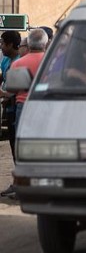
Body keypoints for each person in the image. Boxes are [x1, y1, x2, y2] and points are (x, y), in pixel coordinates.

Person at [1, 29, 48, 199]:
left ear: (28, 44)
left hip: (23, 106)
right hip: (46, 107)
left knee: (23, 148)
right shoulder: (52, 61)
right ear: (45, 43)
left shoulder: (18, 63)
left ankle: (23, 187)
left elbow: (12, 89)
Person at [0, 31, 22, 161]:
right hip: (8, 106)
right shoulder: (6, 60)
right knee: (12, 143)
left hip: (17, 106)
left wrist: (5, 94)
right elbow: (3, 77)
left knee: (16, 142)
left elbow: (20, 87)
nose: (1, 46)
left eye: (2, 43)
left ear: (10, 44)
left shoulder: (20, 62)